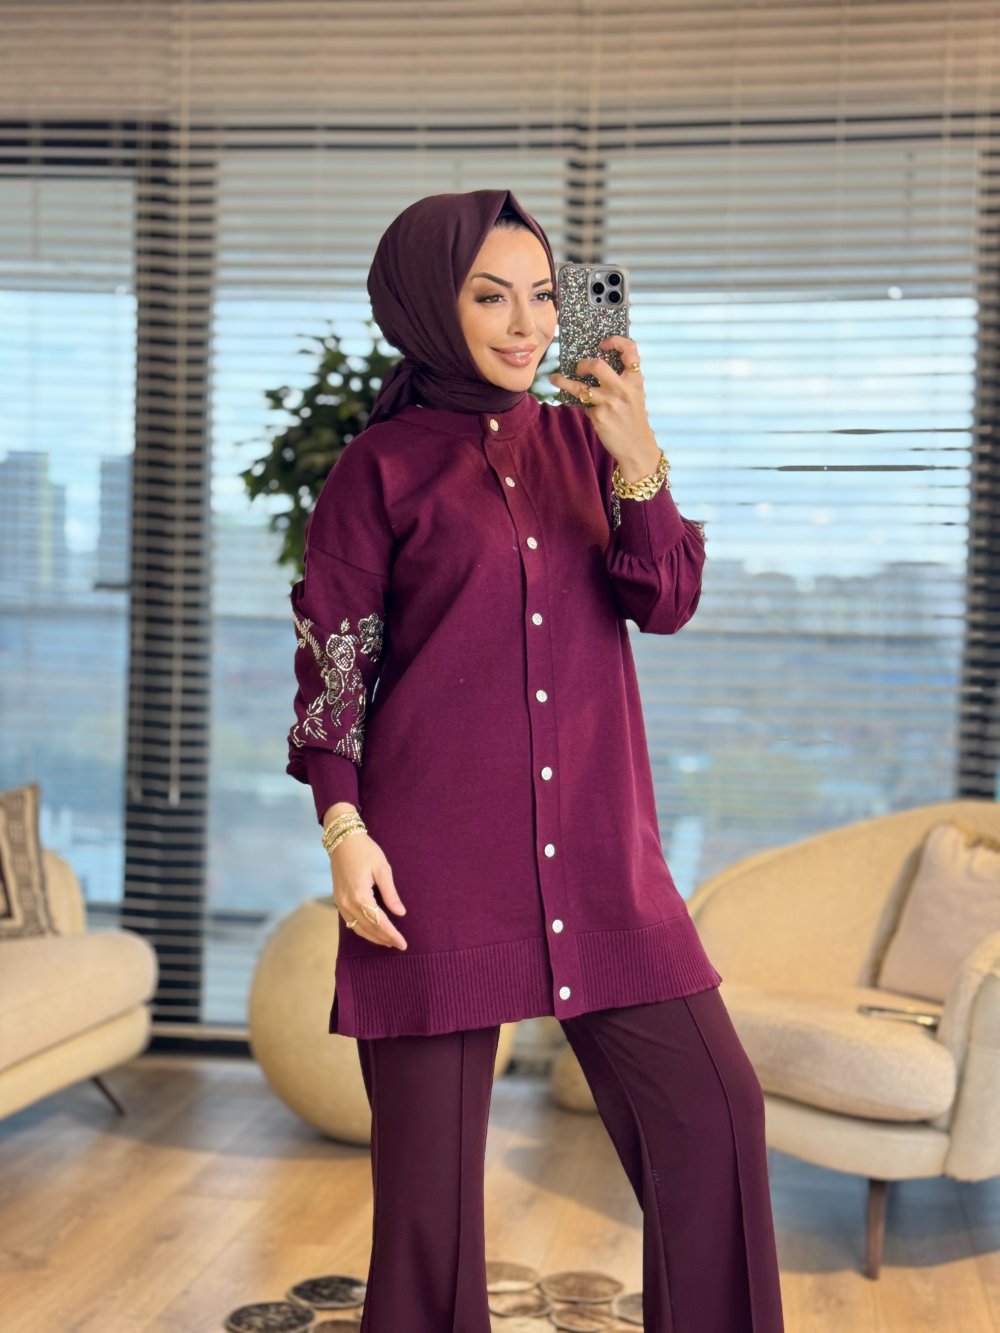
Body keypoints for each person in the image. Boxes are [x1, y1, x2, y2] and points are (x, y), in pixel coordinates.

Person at [285, 188, 785, 1332]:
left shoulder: (588, 444)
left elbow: (665, 601)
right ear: (430, 306)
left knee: (715, 1120)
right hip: (431, 870)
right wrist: (344, 830)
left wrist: (637, 454)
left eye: (544, 296)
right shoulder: (377, 469)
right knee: (428, 1214)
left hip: (603, 858)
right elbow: (334, 670)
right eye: (490, 297)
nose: (526, 325)